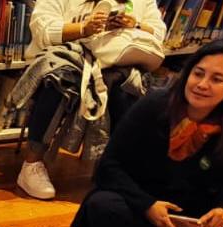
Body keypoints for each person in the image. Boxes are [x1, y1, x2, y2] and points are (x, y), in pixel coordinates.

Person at [72, 39, 223, 227]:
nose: (202, 85)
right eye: (198, 74)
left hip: (190, 213)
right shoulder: (154, 105)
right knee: (101, 206)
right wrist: (148, 205)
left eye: (216, 79)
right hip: (141, 201)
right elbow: (108, 167)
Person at [14, 0, 167, 200]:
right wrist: (83, 28)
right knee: (58, 78)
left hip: (116, 56)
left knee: (128, 84)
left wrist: (135, 24)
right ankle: (31, 164)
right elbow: (42, 30)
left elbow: (159, 33)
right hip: (70, 51)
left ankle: (113, 166)